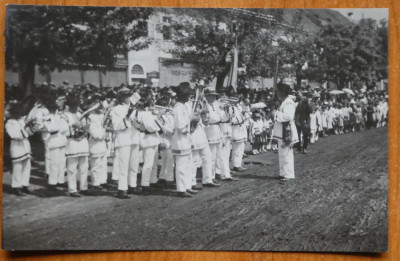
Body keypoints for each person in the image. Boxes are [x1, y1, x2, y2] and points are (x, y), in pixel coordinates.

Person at [172, 82, 196, 197]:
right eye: (187, 95)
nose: (189, 97)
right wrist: (190, 122)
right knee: (181, 166)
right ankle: (181, 189)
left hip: (185, 138)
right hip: (180, 138)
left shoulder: (183, 107)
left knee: (187, 164)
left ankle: (187, 186)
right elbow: (179, 125)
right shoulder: (177, 108)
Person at [5, 104, 34, 196]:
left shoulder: (20, 121)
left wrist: (29, 126)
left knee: (27, 166)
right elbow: (14, 135)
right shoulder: (9, 123)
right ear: (13, 114)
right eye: (17, 113)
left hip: (25, 145)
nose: (19, 115)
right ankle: (16, 187)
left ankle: (25, 185)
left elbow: (30, 132)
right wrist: (25, 132)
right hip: (16, 147)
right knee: (18, 167)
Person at [272, 83, 298, 181]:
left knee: (286, 153)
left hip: (286, 131)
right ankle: (282, 172)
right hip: (281, 130)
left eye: (278, 91)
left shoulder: (289, 103)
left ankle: (289, 174)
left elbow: (289, 117)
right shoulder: (283, 102)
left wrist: (276, 114)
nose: (277, 94)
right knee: (281, 153)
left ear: (283, 92)